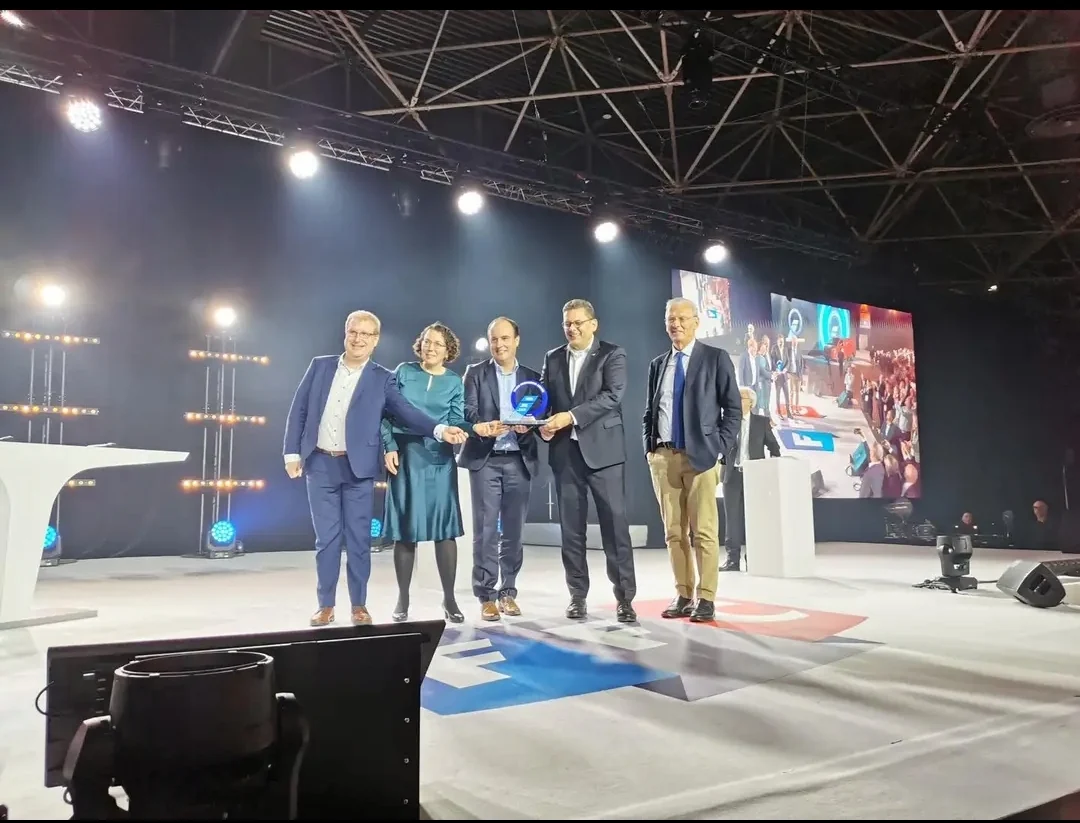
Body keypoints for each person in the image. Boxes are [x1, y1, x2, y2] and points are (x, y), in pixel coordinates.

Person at [283, 310, 467, 628]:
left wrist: (439, 430)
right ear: (346, 333)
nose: (358, 339)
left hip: (358, 468)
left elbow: (405, 411)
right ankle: (325, 605)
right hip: (320, 464)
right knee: (326, 540)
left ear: (375, 340)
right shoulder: (320, 366)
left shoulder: (382, 377)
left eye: (366, 334)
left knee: (359, 540)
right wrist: (291, 452)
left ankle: (359, 605)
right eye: (354, 332)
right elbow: (298, 409)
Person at [643, 297, 741, 622]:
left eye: (683, 318)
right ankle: (683, 594)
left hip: (701, 458)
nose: (676, 324)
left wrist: (720, 448)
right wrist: (650, 449)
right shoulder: (658, 365)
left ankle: (706, 597)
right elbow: (650, 411)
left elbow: (733, 409)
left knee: (704, 532)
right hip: (663, 458)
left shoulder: (715, 358)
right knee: (674, 533)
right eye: (671, 319)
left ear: (697, 322)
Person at [539, 298, 637, 623]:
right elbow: (544, 401)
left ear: (593, 324)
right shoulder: (552, 357)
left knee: (615, 528)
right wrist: (541, 426)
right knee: (571, 531)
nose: (572, 328)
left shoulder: (613, 354)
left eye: (578, 322)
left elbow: (612, 396)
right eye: (567, 323)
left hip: (605, 454)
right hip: (565, 455)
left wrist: (569, 417)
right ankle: (577, 596)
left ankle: (625, 599)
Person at [382, 322, 476, 624]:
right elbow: (386, 413)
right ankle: (403, 598)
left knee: (444, 531)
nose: (430, 347)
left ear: (449, 351)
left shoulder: (453, 381)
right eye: (426, 341)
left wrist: (474, 429)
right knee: (405, 530)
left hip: (439, 459)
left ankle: (449, 599)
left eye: (437, 343)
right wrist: (389, 446)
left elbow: (456, 421)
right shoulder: (403, 371)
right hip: (406, 457)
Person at [458, 317, 541, 621]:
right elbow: (467, 411)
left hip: (519, 459)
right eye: (494, 339)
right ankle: (486, 595)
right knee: (486, 530)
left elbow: (539, 414)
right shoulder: (475, 373)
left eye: (505, 338)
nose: (499, 344)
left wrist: (528, 426)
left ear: (517, 340)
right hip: (486, 459)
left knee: (514, 531)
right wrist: (484, 426)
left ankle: (508, 592)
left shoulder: (532, 378)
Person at [721, 386, 780, 571]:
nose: (737, 401)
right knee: (732, 519)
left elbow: (774, 447)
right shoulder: (728, 422)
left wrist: (771, 468)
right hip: (732, 476)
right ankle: (732, 560)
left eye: (742, 398)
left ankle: (754, 558)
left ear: (751, 403)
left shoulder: (761, 422)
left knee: (753, 519)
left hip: (754, 477)